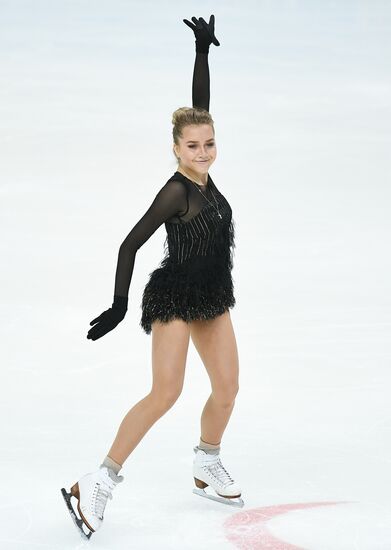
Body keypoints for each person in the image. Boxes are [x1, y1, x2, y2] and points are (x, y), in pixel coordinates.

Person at [61, 14, 243, 540]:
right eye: (192, 146)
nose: (203, 151)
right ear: (176, 149)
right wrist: (119, 303)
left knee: (228, 389)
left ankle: (207, 461)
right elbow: (130, 243)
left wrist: (203, 53)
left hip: (213, 292)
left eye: (209, 143)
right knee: (167, 392)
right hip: (175, 295)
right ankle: (98, 479)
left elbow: (200, 108)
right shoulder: (177, 191)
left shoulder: (207, 177)